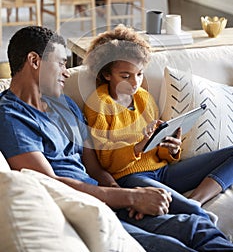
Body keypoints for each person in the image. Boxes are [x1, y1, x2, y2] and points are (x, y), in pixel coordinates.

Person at [1, 26, 233, 252]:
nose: (66, 72)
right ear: (34, 61)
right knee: (173, 247)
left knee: (198, 227)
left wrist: (124, 197)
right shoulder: (11, 118)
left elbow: (93, 167)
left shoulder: (64, 104)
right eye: (61, 63)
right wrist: (129, 196)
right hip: (85, 210)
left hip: (110, 200)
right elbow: (48, 183)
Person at [83, 24, 233, 224]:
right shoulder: (99, 104)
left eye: (139, 74)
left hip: (163, 171)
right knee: (188, 212)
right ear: (106, 74)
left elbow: (158, 152)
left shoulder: (144, 98)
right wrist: (139, 146)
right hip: (130, 177)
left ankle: (197, 200)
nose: (135, 82)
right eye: (125, 76)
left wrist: (170, 148)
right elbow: (107, 162)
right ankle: (199, 216)